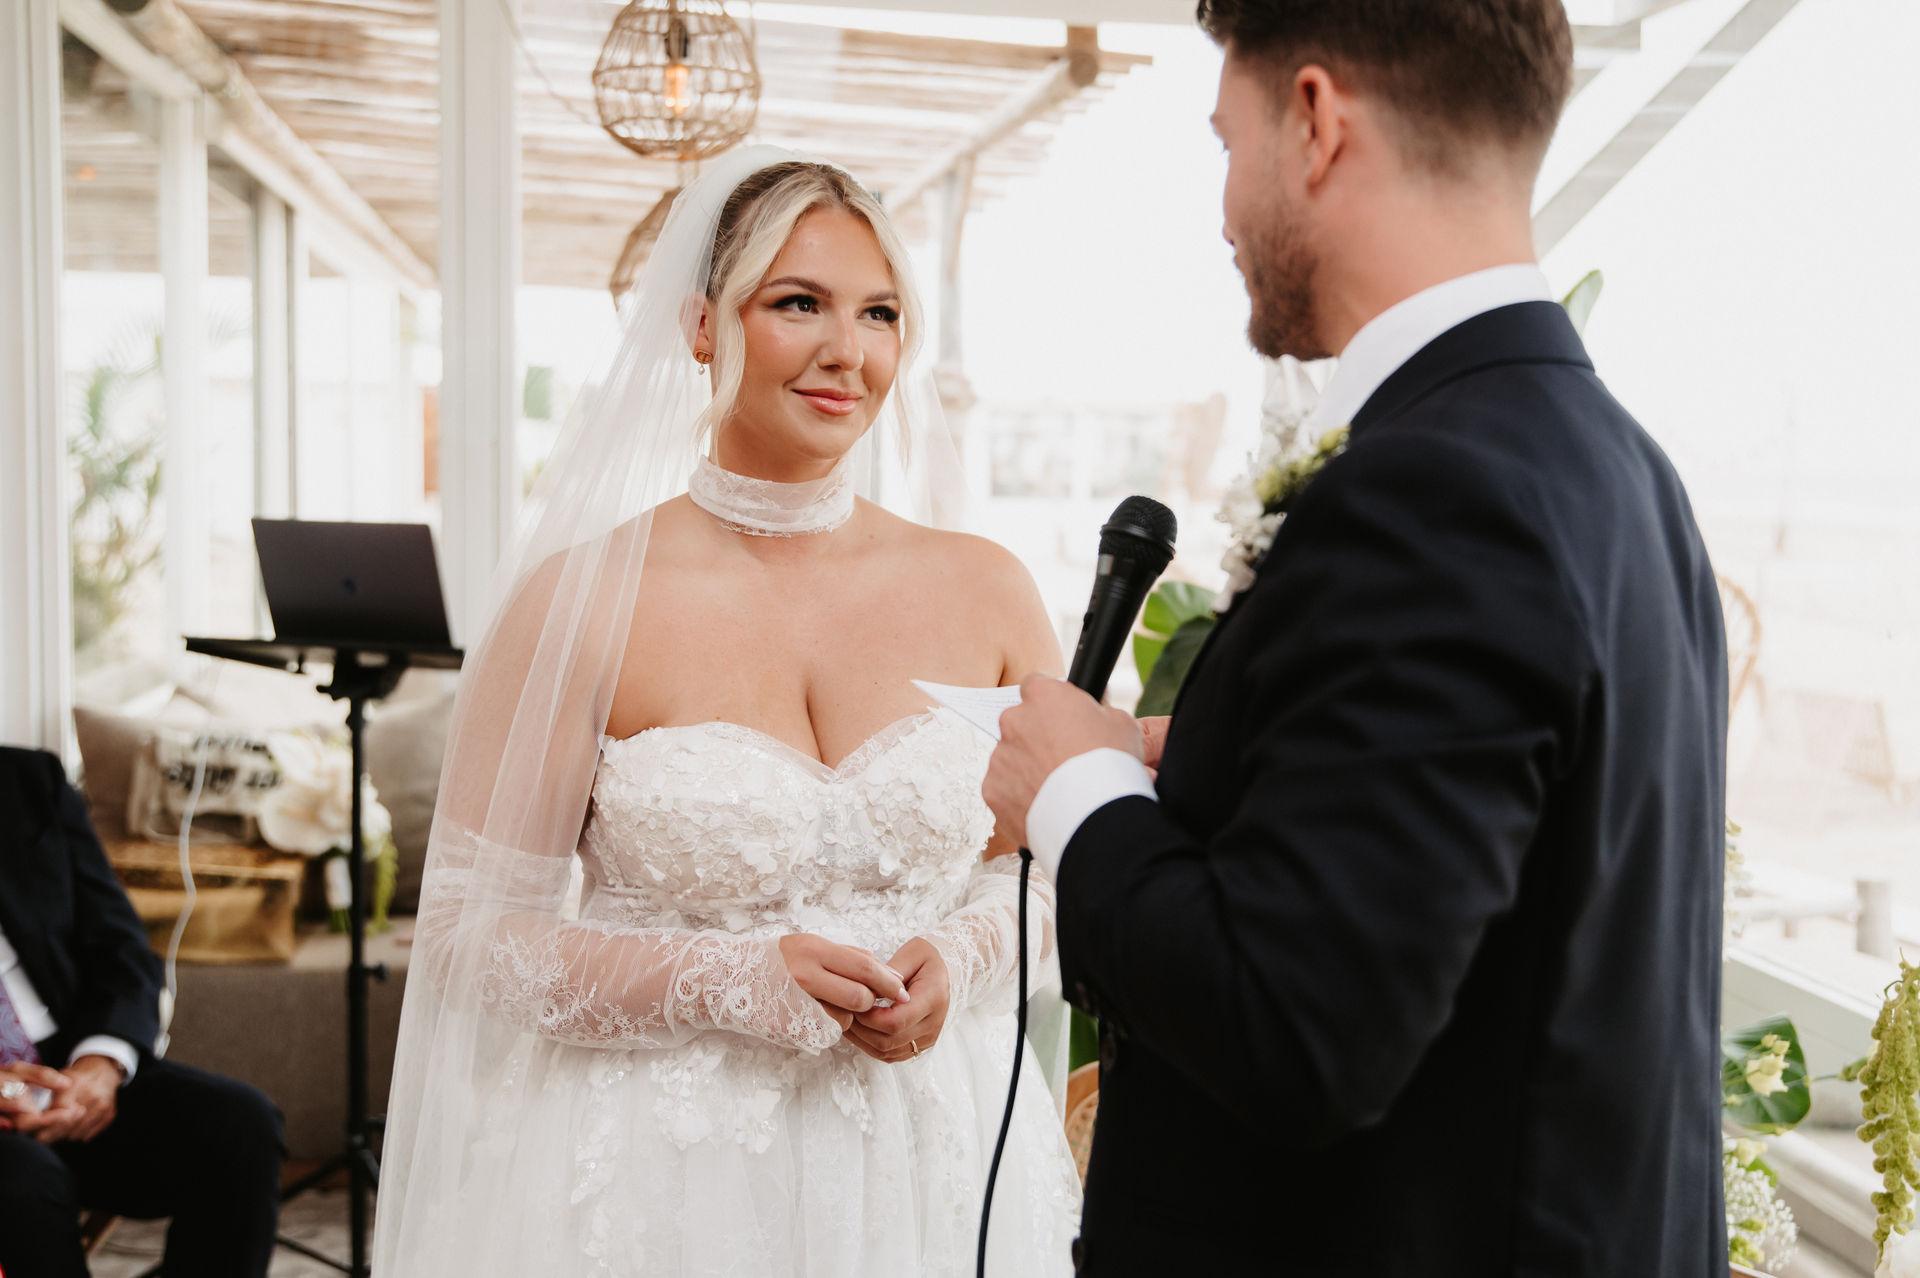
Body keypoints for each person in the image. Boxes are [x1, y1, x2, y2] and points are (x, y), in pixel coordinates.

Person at [984, 0, 1728, 1272]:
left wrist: (1076, 795)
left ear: (1317, 123)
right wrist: (1209, 772)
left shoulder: (1431, 490)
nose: (1223, 214)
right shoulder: (1617, 466)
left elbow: (1298, 1027)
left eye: (1228, 144)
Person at [374, 149, 1081, 1276]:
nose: (847, 351)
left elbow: (1044, 875)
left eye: (880, 314)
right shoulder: (580, 600)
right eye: (798, 303)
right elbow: (469, 936)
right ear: (703, 326)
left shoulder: (988, 586)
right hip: (664, 1179)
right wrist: (726, 983)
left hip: (934, 1168)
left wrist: (963, 957)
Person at [0, 745, 285, 1277]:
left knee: (240, 1126)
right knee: (25, 1183)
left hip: (67, 1065)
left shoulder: (28, 780)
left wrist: (100, 1066)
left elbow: (121, 947)